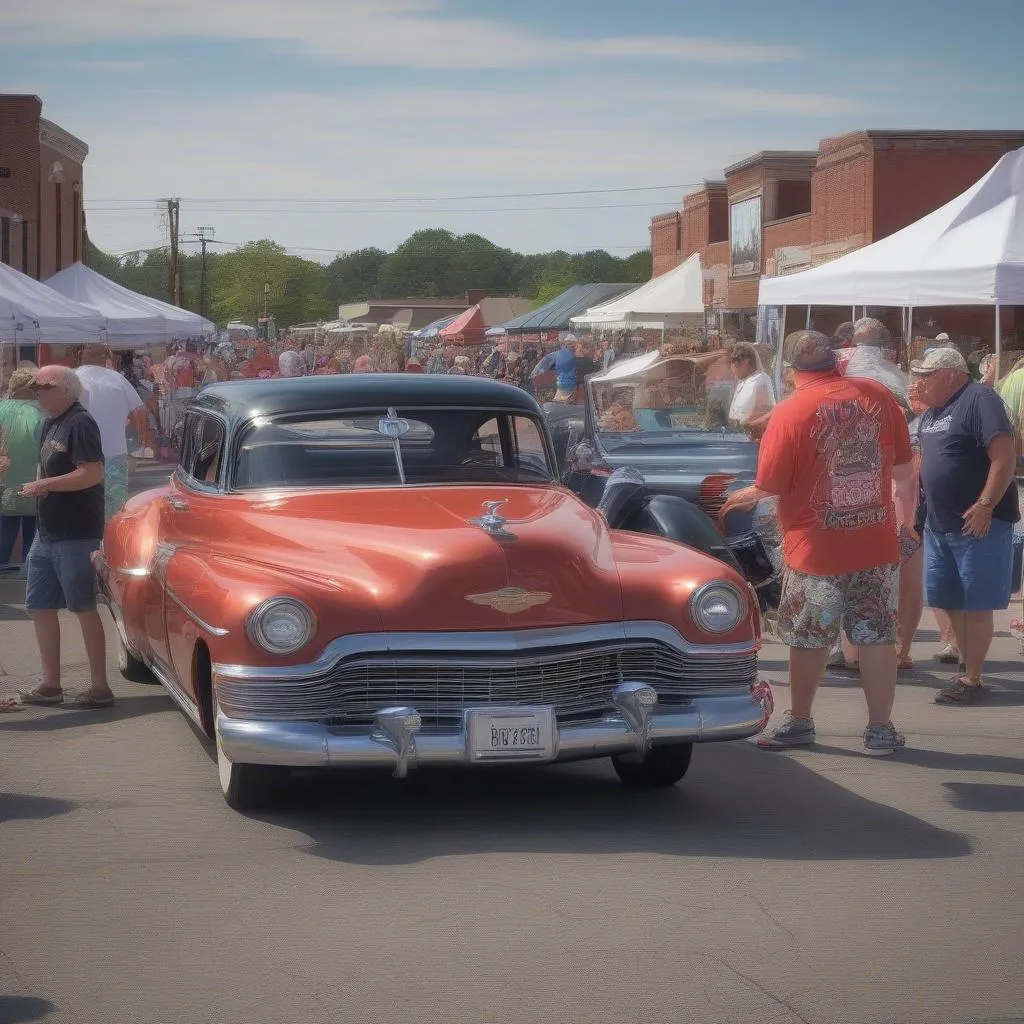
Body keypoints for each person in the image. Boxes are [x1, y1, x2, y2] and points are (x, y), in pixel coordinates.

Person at [718, 331, 915, 755]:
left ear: (790, 372)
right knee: (876, 634)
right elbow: (902, 466)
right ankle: (880, 728)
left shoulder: (791, 412)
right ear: (834, 360)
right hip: (875, 541)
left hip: (816, 546)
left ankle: (801, 721)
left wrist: (744, 496)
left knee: (809, 636)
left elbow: (769, 484)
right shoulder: (878, 396)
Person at [911, 346, 1020, 704]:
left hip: (979, 522)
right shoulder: (933, 411)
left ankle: (972, 678)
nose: (919, 381)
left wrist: (986, 504)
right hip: (940, 524)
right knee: (949, 598)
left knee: (976, 602)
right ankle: (965, 664)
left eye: (926, 375)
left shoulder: (979, 399)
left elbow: (1004, 456)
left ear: (951, 374)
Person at [12, 366, 113, 709]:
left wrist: (44, 485)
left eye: (43, 386)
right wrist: (40, 485)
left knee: (83, 606)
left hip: (76, 530)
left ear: (66, 390)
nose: (37, 392)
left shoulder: (80, 422)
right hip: (48, 529)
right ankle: (51, 684)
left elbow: (92, 473)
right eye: (35, 387)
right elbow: (48, 466)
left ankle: (100, 688)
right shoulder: (50, 421)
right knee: (38, 606)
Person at [75, 345, 146, 522]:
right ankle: (109, 545)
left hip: (79, 455)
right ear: (107, 357)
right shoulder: (117, 379)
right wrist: (141, 437)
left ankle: (88, 544)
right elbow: (140, 411)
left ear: (81, 355)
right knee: (114, 509)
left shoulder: (70, 378)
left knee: (80, 507)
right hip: (114, 454)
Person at [0, 369, 45, 574]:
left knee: (5, 526)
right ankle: (30, 572)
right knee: (33, 529)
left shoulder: (1, 408)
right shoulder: (40, 414)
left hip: (5, 483)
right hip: (34, 483)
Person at [727, 342, 775, 434]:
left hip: (752, 435)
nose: (733, 371)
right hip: (737, 433)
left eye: (736, 366)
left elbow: (764, 412)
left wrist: (748, 426)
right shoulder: (742, 382)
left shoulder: (761, 380)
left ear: (746, 363)